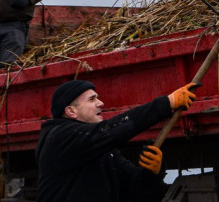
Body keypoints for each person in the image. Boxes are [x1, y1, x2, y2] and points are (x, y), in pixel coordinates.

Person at [35, 78, 198, 202]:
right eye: (92, 99)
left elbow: (135, 186)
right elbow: (111, 130)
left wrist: (152, 173)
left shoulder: (100, 149)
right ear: (71, 111)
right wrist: (165, 104)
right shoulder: (59, 137)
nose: (101, 103)